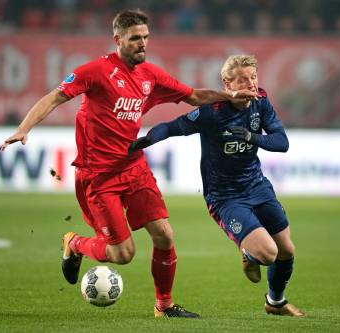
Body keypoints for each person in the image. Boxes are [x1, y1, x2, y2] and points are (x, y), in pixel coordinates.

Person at [0, 9, 257, 318]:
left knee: (165, 234)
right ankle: (75, 243)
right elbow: (55, 97)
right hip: (98, 176)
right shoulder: (95, 71)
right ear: (117, 39)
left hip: (134, 168)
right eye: (135, 38)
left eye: (146, 37)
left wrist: (230, 96)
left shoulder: (151, 75)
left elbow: (194, 95)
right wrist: (24, 128)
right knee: (122, 254)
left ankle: (164, 306)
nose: (142, 43)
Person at [129, 55, 304, 317]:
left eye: (253, 77)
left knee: (287, 250)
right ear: (227, 83)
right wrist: (148, 139)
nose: (251, 84)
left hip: (257, 186)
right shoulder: (213, 111)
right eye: (243, 79)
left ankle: (275, 302)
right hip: (225, 198)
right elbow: (174, 126)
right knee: (269, 254)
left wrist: (251, 137)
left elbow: (282, 142)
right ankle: (249, 253)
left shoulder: (261, 103)